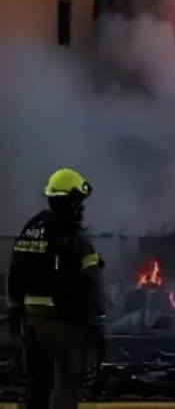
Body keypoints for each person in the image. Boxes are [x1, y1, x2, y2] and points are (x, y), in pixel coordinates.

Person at [6, 168, 106, 409]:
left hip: (32, 323)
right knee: (67, 387)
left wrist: (15, 312)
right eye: (78, 202)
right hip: (65, 324)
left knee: (37, 387)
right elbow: (92, 281)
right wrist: (97, 323)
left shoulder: (32, 229)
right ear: (66, 201)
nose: (81, 209)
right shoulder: (74, 238)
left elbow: (15, 274)